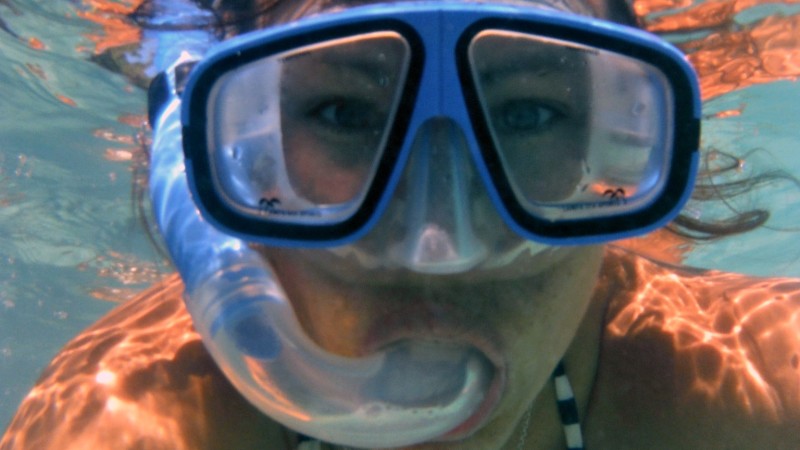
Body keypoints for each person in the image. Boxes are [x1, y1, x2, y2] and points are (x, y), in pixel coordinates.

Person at [2, 1, 800, 449]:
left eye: (527, 112)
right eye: (344, 112)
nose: (437, 247)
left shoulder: (763, 382)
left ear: (623, 143)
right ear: (240, 151)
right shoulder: (128, 424)